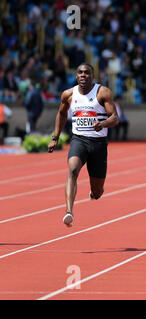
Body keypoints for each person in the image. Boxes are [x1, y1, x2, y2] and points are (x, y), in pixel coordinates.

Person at [47, 63, 119, 227]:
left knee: (97, 191)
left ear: (92, 76)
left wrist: (104, 123)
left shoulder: (102, 92)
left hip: (98, 144)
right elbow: (61, 114)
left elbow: (115, 117)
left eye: (87, 73)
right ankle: (69, 212)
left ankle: (95, 193)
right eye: (80, 72)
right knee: (72, 170)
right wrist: (55, 137)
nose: (83, 75)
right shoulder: (68, 94)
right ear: (76, 75)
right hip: (79, 140)